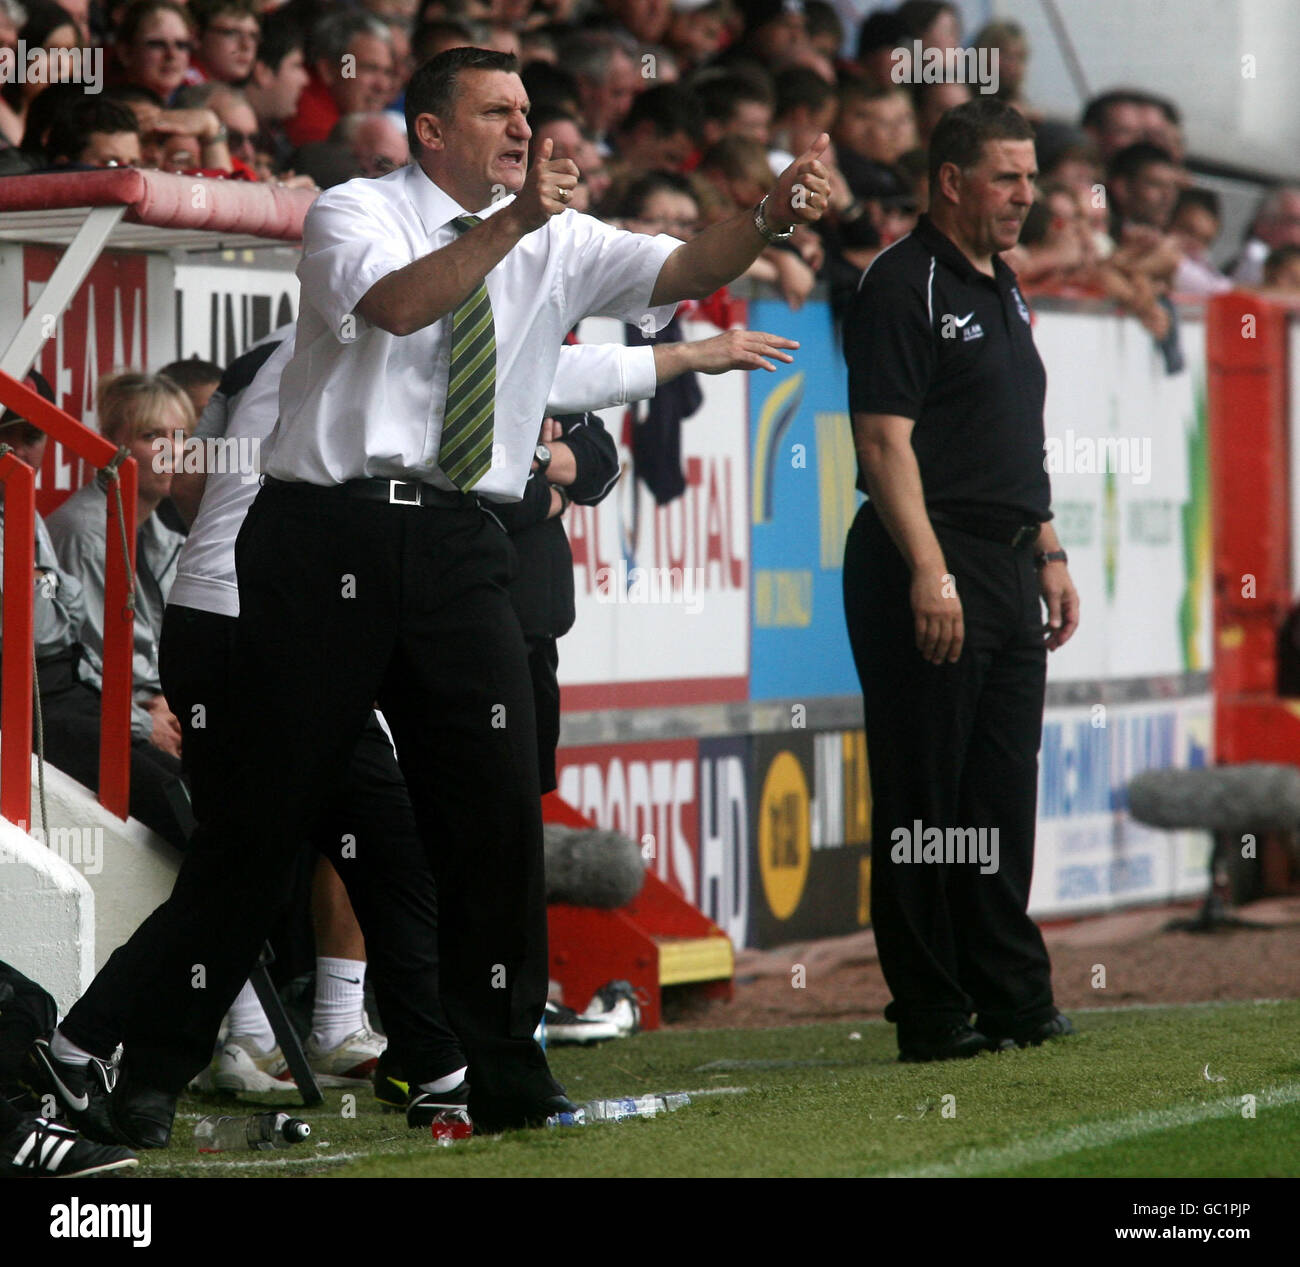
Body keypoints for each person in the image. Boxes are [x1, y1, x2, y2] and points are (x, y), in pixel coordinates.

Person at [38, 44, 829, 1146]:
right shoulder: (353, 214)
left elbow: (684, 262)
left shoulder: (553, 232)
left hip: (462, 535)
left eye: (526, 110)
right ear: (430, 132)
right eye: (497, 112)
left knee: (493, 812)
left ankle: (495, 1072)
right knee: (256, 840)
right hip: (325, 537)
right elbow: (403, 307)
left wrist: (772, 214)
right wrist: (510, 229)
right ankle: (128, 1065)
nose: (523, 128)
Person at [841, 98, 1077, 1063]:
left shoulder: (1004, 284)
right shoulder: (902, 283)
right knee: (924, 797)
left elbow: (1013, 435)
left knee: (997, 796)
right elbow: (880, 440)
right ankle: (933, 1014)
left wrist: (1048, 550)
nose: (1028, 195)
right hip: (924, 556)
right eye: (1008, 178)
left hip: (1006, 559)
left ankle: (1011, 994)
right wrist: (930, 571)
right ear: (950, 180)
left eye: (1031, 177)